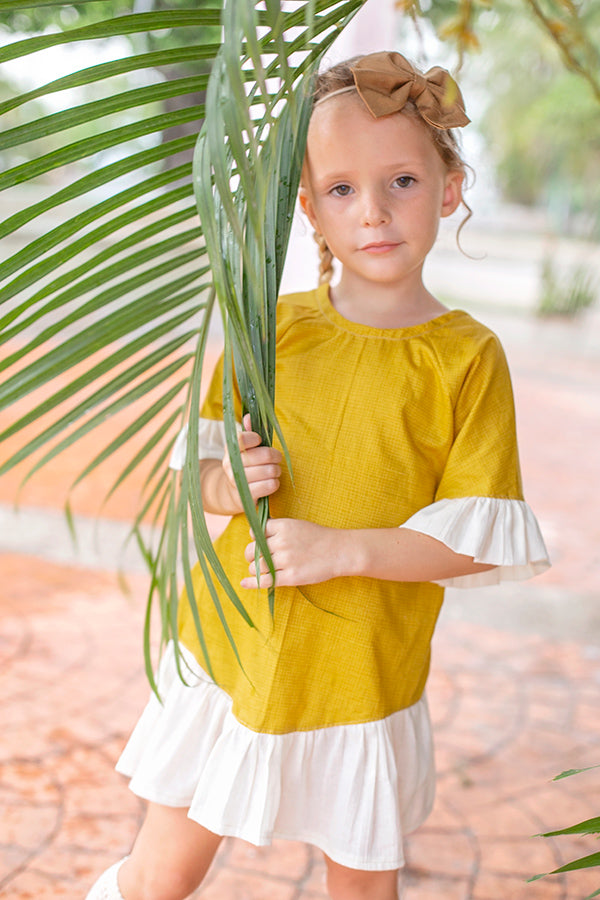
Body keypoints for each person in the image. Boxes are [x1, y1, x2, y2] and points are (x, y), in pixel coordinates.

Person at [85, 51, 550, 900]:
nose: (372, 212)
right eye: (341, 190)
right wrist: (231, 485)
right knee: (160, 876)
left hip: (361, 673)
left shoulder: (466, 358)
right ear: (309, 209)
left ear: (448, 188)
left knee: (362, 890)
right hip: (233, 648)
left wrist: (345, 549)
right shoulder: (273, 327)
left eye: (402, 180)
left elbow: (475, 544)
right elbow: (199, 477)